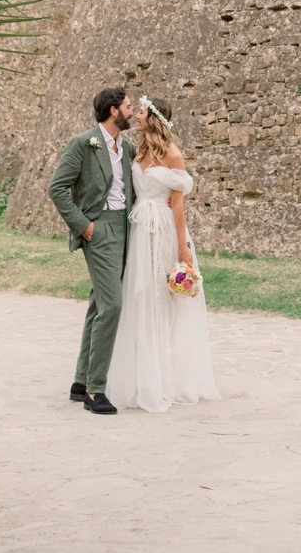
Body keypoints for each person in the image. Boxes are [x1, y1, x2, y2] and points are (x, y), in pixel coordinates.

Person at [104, 96, 220, 412]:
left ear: (152, 118)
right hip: (139, 230)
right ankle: (141, 376)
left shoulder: (173, 155)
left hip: (164, 231)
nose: (135, 117)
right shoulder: (138, 151)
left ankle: (165, 378)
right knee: (140, 297)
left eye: (140, 112)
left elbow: (179, 205)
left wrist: (183, 248)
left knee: (162, 301)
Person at [47, 86, 136, 415]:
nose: (131, 112)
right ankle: (96, 391)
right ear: (113, 110)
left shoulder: (126, 149)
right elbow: (56, 187)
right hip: (99, 229)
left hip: (125, 229)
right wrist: (83, 226)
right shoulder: (83, 143)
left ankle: (81, 382)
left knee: (99, 303)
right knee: (112, 305)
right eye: (128, 106)